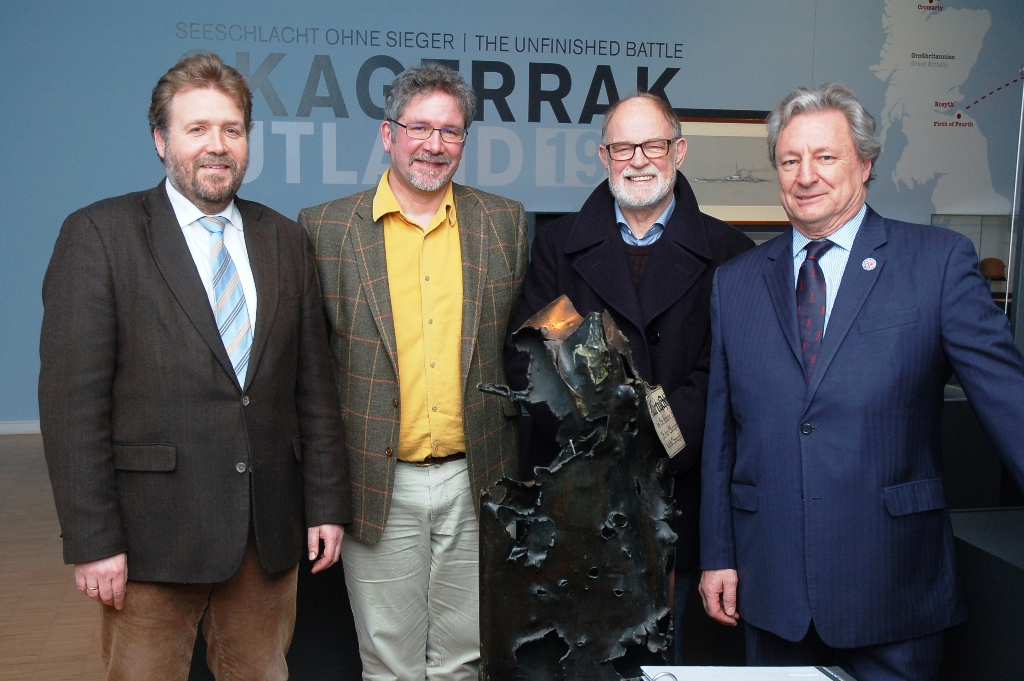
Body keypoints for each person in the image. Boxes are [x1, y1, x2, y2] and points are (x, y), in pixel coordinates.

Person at [38, 52, 349, 681]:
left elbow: (313, 388)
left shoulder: (284, 239)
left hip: (268, 534)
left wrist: (325, 503)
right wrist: (94, 542)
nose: (217, 146)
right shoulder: (99, 234)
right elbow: (73, 410)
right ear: (160, 140)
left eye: (232, 130)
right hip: (152, 537)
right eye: (197, 129)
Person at [698, 82, 1024, 680]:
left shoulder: (937, 262)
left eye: (826, 157)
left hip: (893, 585)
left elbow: (1010, 402)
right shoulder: (736, 282)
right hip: (773, 591)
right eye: (790, 160)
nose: (805, 176)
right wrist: (717, 554)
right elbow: (723, 431)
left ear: (866, 164)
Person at [504, 91, 753, 662]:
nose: (638, 159)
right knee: (581, 662)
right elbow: (528, 360)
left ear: (679, 151)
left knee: (674, 660)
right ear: (603, 155)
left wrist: (651, 440)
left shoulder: (730, 253)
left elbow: (724, 376)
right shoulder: (556, 246)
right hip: (580, 500)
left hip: (680, 500)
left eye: (653, 144)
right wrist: (602, 438)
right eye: (622, 147)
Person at [299, 63, 527, 681]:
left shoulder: (505, 222)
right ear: (387, 134)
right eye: (419, 128)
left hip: (477, 478)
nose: (434, 145)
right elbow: (310, 378)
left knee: (466, 659)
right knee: (390, 664)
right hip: (378, 483)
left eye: (451, 132)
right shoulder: (323, 229)